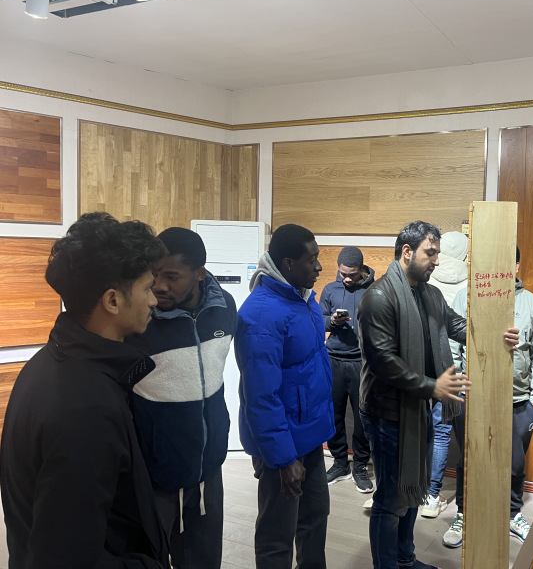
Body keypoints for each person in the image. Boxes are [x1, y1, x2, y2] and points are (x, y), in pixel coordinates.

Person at [0, 212, 170, 568]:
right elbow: (64, 558)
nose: (154, 300)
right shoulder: (86, 408)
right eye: (146, 288)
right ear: (112, 301)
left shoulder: (51, 363)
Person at [358, 220, 519, 569]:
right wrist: (433, 386)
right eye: (430, 253)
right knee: (391, 499)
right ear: (406, 252)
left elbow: (457, 325)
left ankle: (405, 558)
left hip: (417, 408)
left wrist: (496, 334)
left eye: (437, 254)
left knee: (413, 488)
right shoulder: (379, 297)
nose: (436, 261)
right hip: (387, 413)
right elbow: (383, 362)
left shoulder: (429, 295)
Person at [127, 227, 237, 569]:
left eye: (172, 277)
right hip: (154, 474)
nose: (160, 286)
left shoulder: (224, 308)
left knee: (204, 561)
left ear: (200, 273)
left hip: (208, 468)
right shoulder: (138, 320)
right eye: (155, 275)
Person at [235, 223, 335, 569]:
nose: (319, 267)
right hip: (281, 446)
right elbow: (260, 396)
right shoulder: (261, 316)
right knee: (277, 536)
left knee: (315, 517)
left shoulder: (304, 299)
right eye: (312, 260)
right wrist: (282, 459)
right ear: (288, 263)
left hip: (309, 437)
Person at [443, 246, 533, 547]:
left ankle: (512, 513)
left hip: (518, 399)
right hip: (472, 396)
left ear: (516, 267)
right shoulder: (464, 298)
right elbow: (452, 347)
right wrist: (458, 389)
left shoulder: (531, 303)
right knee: (469, 458)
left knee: (515, 462)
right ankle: (464, 513)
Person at [319, 246, 375, 493]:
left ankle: (360, 466)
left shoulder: (374, 290)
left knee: (363, 418)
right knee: (333, 415)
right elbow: (318, 321)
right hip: (333, 360)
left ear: (361, 269)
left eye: (352, 275)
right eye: (343, 274)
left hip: (363, 362)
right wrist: (331, 321)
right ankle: (340, 463)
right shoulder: (330, 289)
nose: (347, 279)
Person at [421, 231, 469, 518]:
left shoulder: (428, 282)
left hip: (427, 367)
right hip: (457, 368)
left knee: (425, 430)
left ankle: (422, 490)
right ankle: (435, 494)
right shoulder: (470, 283)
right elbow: (463, 327)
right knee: (447, 433)